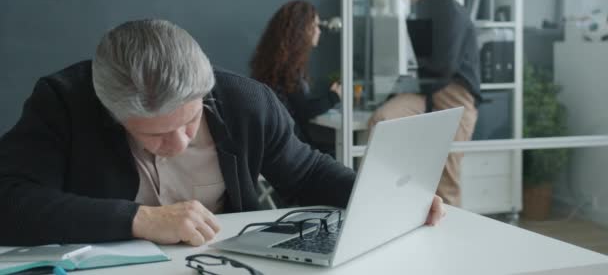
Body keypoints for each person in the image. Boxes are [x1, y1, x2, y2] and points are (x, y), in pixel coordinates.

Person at [0, 19, 445, 247]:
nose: (176, 145)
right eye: (153, 136)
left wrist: (383, 195)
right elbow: (10, 200)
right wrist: (140, 219)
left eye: (189, 123)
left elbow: (305, 171)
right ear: (111, 112)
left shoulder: (245, 101)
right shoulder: (64, 103)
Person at [368, 0, 481, 207]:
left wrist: (405, 84)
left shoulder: (447, 8)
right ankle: (379, 201)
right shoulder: (418, 9)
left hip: (454, 93)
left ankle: (450, 242)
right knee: (383, 120)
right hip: (428, 89)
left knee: (446, 180)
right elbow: (428, 67)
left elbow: (443, 67)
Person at [250, 0, 341, 147]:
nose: (319, 31)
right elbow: (305, 110)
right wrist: (334, 96)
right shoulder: (288, 67)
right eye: (316, 25)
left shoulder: (275, 61)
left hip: (278, 142)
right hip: (288, 146)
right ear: (303, 29)